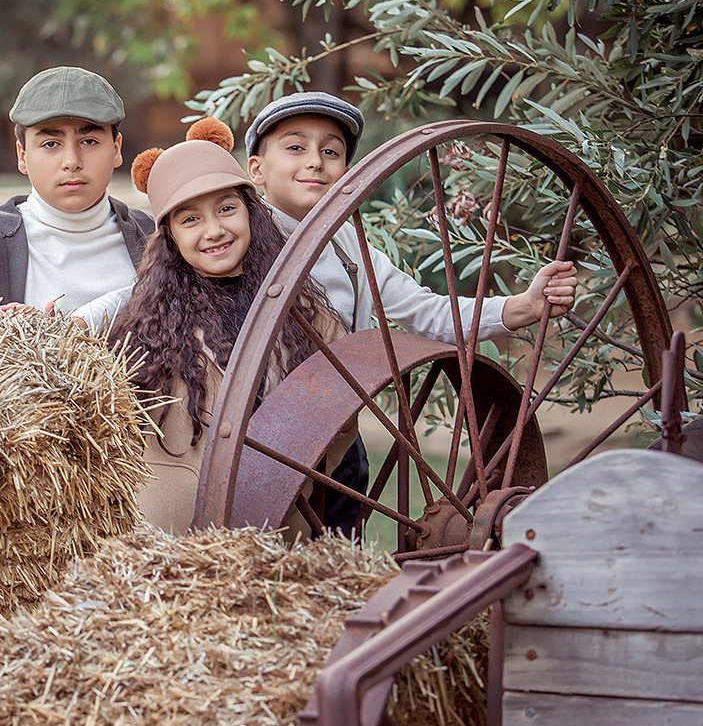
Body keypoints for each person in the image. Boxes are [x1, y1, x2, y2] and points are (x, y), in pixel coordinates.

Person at [243, 90, 579, 531]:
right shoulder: (238, 241)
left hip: (337, 436)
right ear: (256, 170)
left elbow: (429, 312)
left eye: (331, 151)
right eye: (295, 147)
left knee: (341, 554)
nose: (315, 161)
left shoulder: (352, 247)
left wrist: (520, 306)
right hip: (262, 443)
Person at [87, 117, 349, 538]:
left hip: (276, 533)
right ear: (170, 236)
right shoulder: (143, 331)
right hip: (172, 543)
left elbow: (343, 411)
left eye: (226, 208)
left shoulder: (307, 315)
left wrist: (291, 477)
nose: (214, 231)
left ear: (251, 212)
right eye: (189, 220)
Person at [0, 66, 155, 319]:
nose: (71, 161)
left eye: (89, 141)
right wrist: (19, 336)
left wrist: (80, 322)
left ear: (116, 149)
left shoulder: (154, 237)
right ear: (22, 156)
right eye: (50, 144)